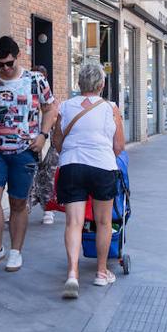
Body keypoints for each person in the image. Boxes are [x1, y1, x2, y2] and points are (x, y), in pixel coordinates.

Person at [0, 36, 57, 274]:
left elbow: (50, 108)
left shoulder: (36, 80)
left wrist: (43, 135)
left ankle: (16, 252)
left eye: (9, 63)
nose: (5, 69)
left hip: (25, 150)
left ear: (17, 56)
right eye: (0, 64)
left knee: (18, 202)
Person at [54, 62, 125, 299]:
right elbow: (119, 146)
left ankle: (72, 274)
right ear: (102, 85)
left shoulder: (65, 106)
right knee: (103, 222)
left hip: (72, 165)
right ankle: (101, 273)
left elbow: (56, 143)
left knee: (73, 223)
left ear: (78, 84)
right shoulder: (111, 108)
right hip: (102, 166)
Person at [29, 65, 61, 226]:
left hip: (49, 144)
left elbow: (56, 118)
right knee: (30, 177)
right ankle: (22, 209)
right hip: (32, 143)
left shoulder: (52, 100)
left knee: (48, 177)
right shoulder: (27, 97)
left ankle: (48, 211)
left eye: (41, 77)